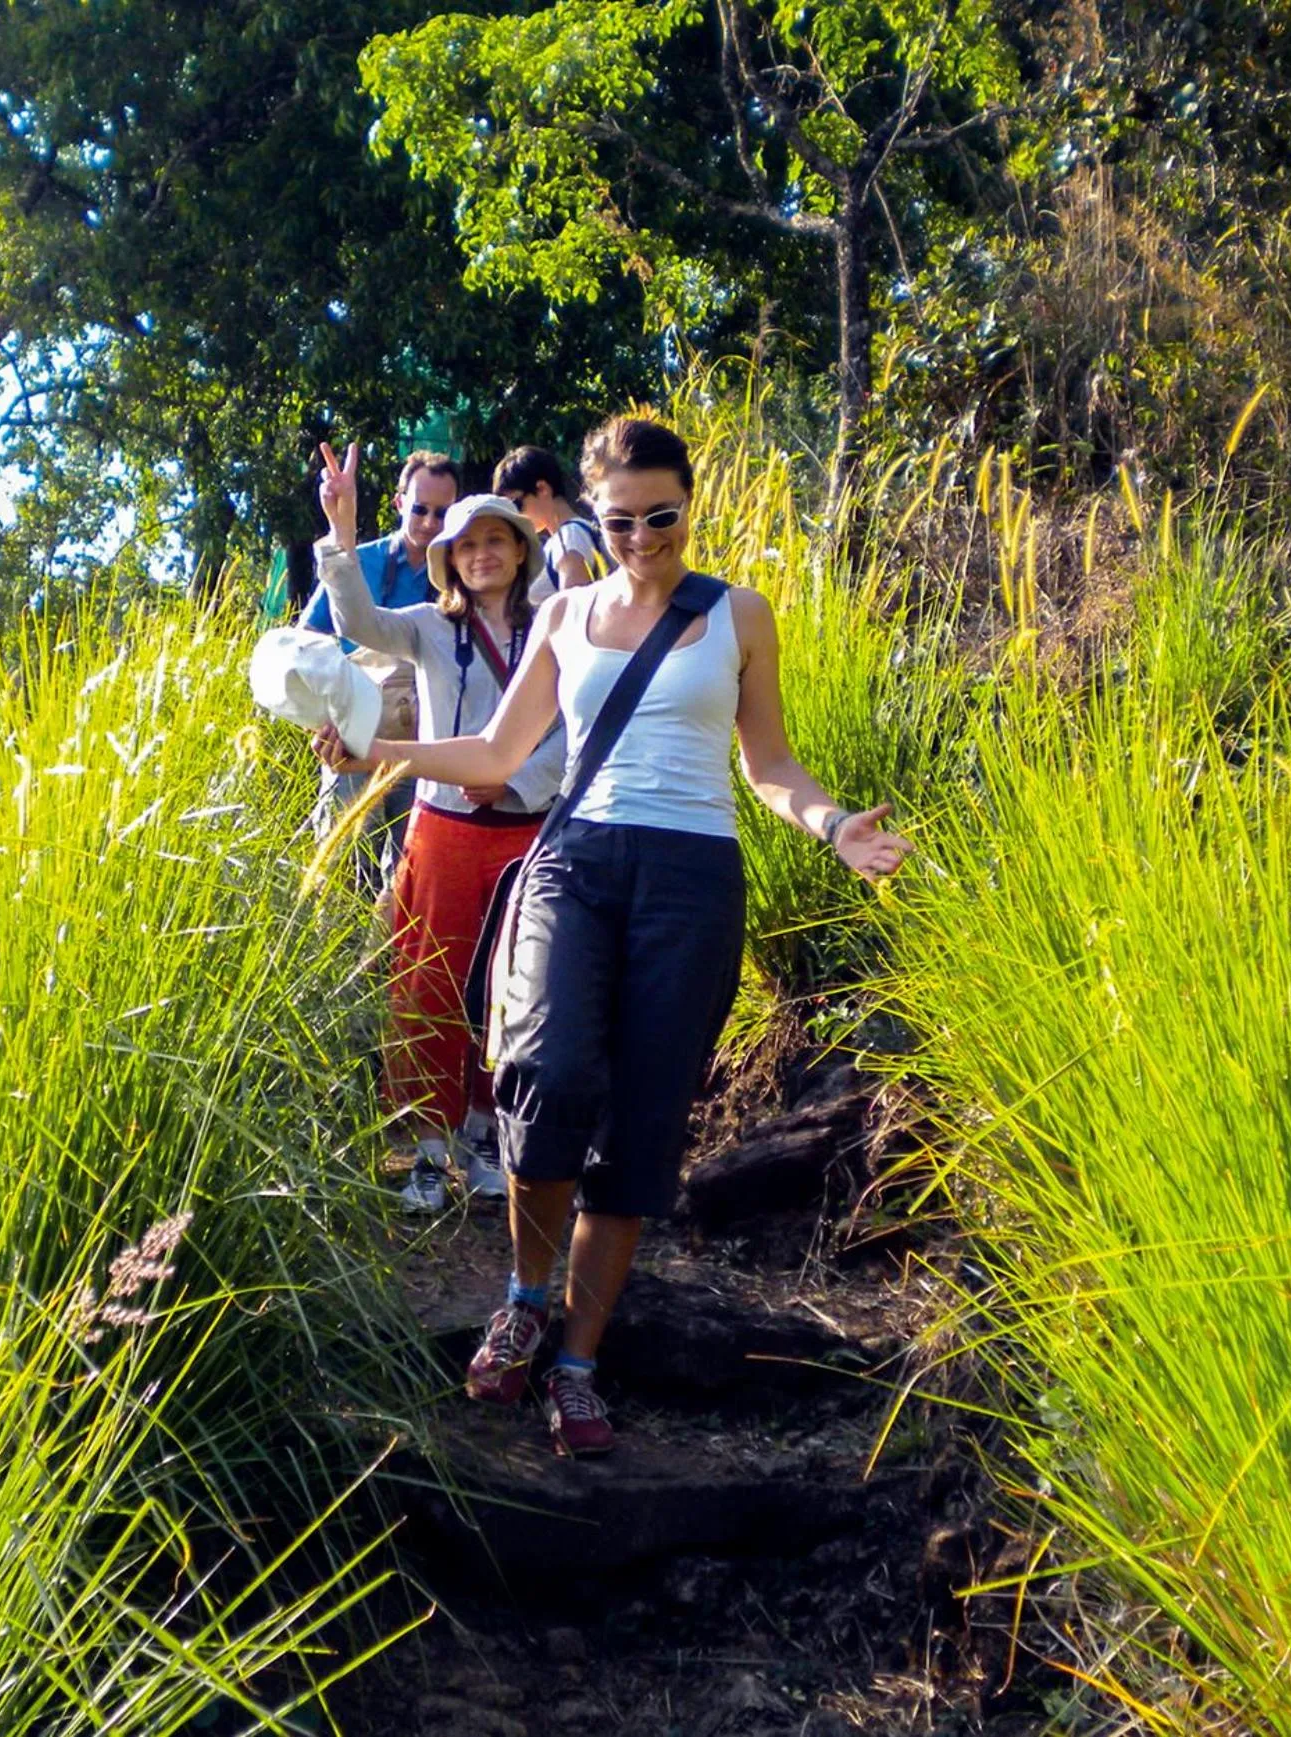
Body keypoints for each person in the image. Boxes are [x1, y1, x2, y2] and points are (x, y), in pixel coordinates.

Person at [312, 416, 911, 1458]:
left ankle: (578, 1362)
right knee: (540, 1076)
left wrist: (830, 825)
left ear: (688, 504)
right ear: (593, 514)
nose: (641, 537)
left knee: (638, 1128)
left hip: (689, 879)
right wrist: (382, 753)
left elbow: (766, 762)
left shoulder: (737, 615)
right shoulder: (563, 614)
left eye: (661, 517)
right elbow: (501, 747)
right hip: (574, 863)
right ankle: (521, 1298)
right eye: (621, 519)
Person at [314, 440, 565, 1213]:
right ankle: (427, 1149)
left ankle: (488, 1136)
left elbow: (568, 730)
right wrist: (342, 527)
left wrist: (517, 780)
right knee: (426, 983)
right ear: (447, 558)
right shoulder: (427, 625)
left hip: (525, 828)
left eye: (497, 540)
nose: (482, 555)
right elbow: (357, 617)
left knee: (509, 989)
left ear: (520, 551)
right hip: (442, 828)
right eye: (467, 545)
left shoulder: (554, 625)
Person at [300, 448, 461, 887]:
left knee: (408, 878)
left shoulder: (460, 574)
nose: (429, 523)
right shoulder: (359, 559)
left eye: (442, 513)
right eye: (420, 509)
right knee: (340, 875)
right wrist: (323, 719)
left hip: (422, 744)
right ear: (398, 504)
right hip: (352, 735)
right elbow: (309, 641)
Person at [494, 445, 607, 590]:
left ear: (542, 489)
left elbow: (573, 607)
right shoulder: (569, 535)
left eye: (516, 505)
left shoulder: (569, 536)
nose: (514, 515)